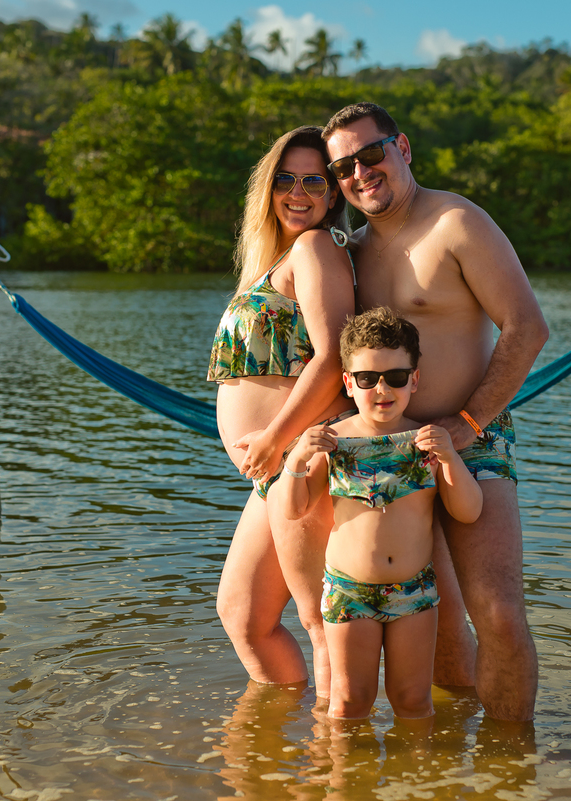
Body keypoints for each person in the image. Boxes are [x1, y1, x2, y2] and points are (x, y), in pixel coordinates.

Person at [322, 103, 551, 721]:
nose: (360, 173)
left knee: (498, 615)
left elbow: (527, 327)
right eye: (343, 167)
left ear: (402, 148)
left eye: (371, 154)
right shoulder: (351, 251)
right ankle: (447, 759)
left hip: (472, 436)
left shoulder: (457, 223)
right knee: (440, 625)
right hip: (385, 450)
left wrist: (469, 423)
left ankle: (512, 762)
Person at [275, 308, 483, 720]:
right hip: (349, 590)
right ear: (349, 383)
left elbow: (468, 511)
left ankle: (419, 766)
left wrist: (450, 459)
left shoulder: (425, 442)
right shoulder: (335, 442)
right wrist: (297, 458)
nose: (382, 388)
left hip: (414, 591)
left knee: (413, 702)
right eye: (368, 378)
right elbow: (294, 509)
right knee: (349, 703)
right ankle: (339, 764)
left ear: (414, 379)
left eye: (396, 377)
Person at [207, 126, 356, 694]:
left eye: (314, 181)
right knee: (243, 615)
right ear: (267, 188)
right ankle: (274, 733)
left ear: (333, 194)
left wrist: (272, 438)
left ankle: (336, 740)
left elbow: (333, 358)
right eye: (286, 180)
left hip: (302, 456)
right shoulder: (280, 258)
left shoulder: (315, 247)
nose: (298, 193)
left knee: (321, 622)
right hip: (277, 464)